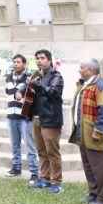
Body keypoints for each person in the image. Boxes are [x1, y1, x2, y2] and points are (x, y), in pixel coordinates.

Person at [70, 58, 103, 204]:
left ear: (90, 70)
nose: (79, 70)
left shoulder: (102, 87)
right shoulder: (85, 85)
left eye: (82, 67)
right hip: (84, 136)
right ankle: (94, 194)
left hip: (98, 138)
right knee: (90, 167)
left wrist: (98, 131)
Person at [28, 48, 65, 194]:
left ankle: (56, 182)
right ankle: (44, 178)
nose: (39, 60)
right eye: (37, 58)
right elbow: (30, 91)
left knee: (52, 152)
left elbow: (52, 92)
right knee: (42, 151)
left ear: (49, 61)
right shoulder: (37, 76)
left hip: (50, 119)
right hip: (36, 119)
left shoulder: (56, 76)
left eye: (42, 58)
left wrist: (36, 84)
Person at [5, 54, 39, 182]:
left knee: (30, 146)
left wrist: (22, 94)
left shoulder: (29, 77)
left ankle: (34, 172)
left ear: (24, 64)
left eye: (18, 62)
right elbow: (8, 93)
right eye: (14, 62)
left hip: (24, 116)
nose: (16, 64)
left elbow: (32, 94)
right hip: (11, 116)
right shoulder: (8, 77)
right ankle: (16, 168)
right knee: (15, 144)